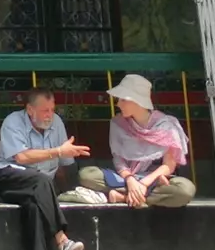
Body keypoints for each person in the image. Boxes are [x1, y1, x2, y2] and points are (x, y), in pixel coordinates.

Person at [0, 87, 89, 250]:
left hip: (41, 185)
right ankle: (62, 240)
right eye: (44, 110)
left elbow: (65, 167)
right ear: (30, 110)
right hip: (8, 176)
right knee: (41, 181)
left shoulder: (57, 124)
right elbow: (22, 158)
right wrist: (58, 151)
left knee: (37, 205)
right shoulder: (13, 122)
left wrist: (71, 191)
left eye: (52, 110)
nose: (49, 115)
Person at [80, 73, 197, 208]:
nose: (118, 104)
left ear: (137, 101)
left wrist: (144, 183)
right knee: (87, 175)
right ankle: (139, 197)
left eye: (123, 100)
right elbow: (118, 159)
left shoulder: (166, 125)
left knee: (185, 190)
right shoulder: (118, 123)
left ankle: (124, 198)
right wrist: (130, 180)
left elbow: (168, 165)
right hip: (126, 179)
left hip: (153, 180)